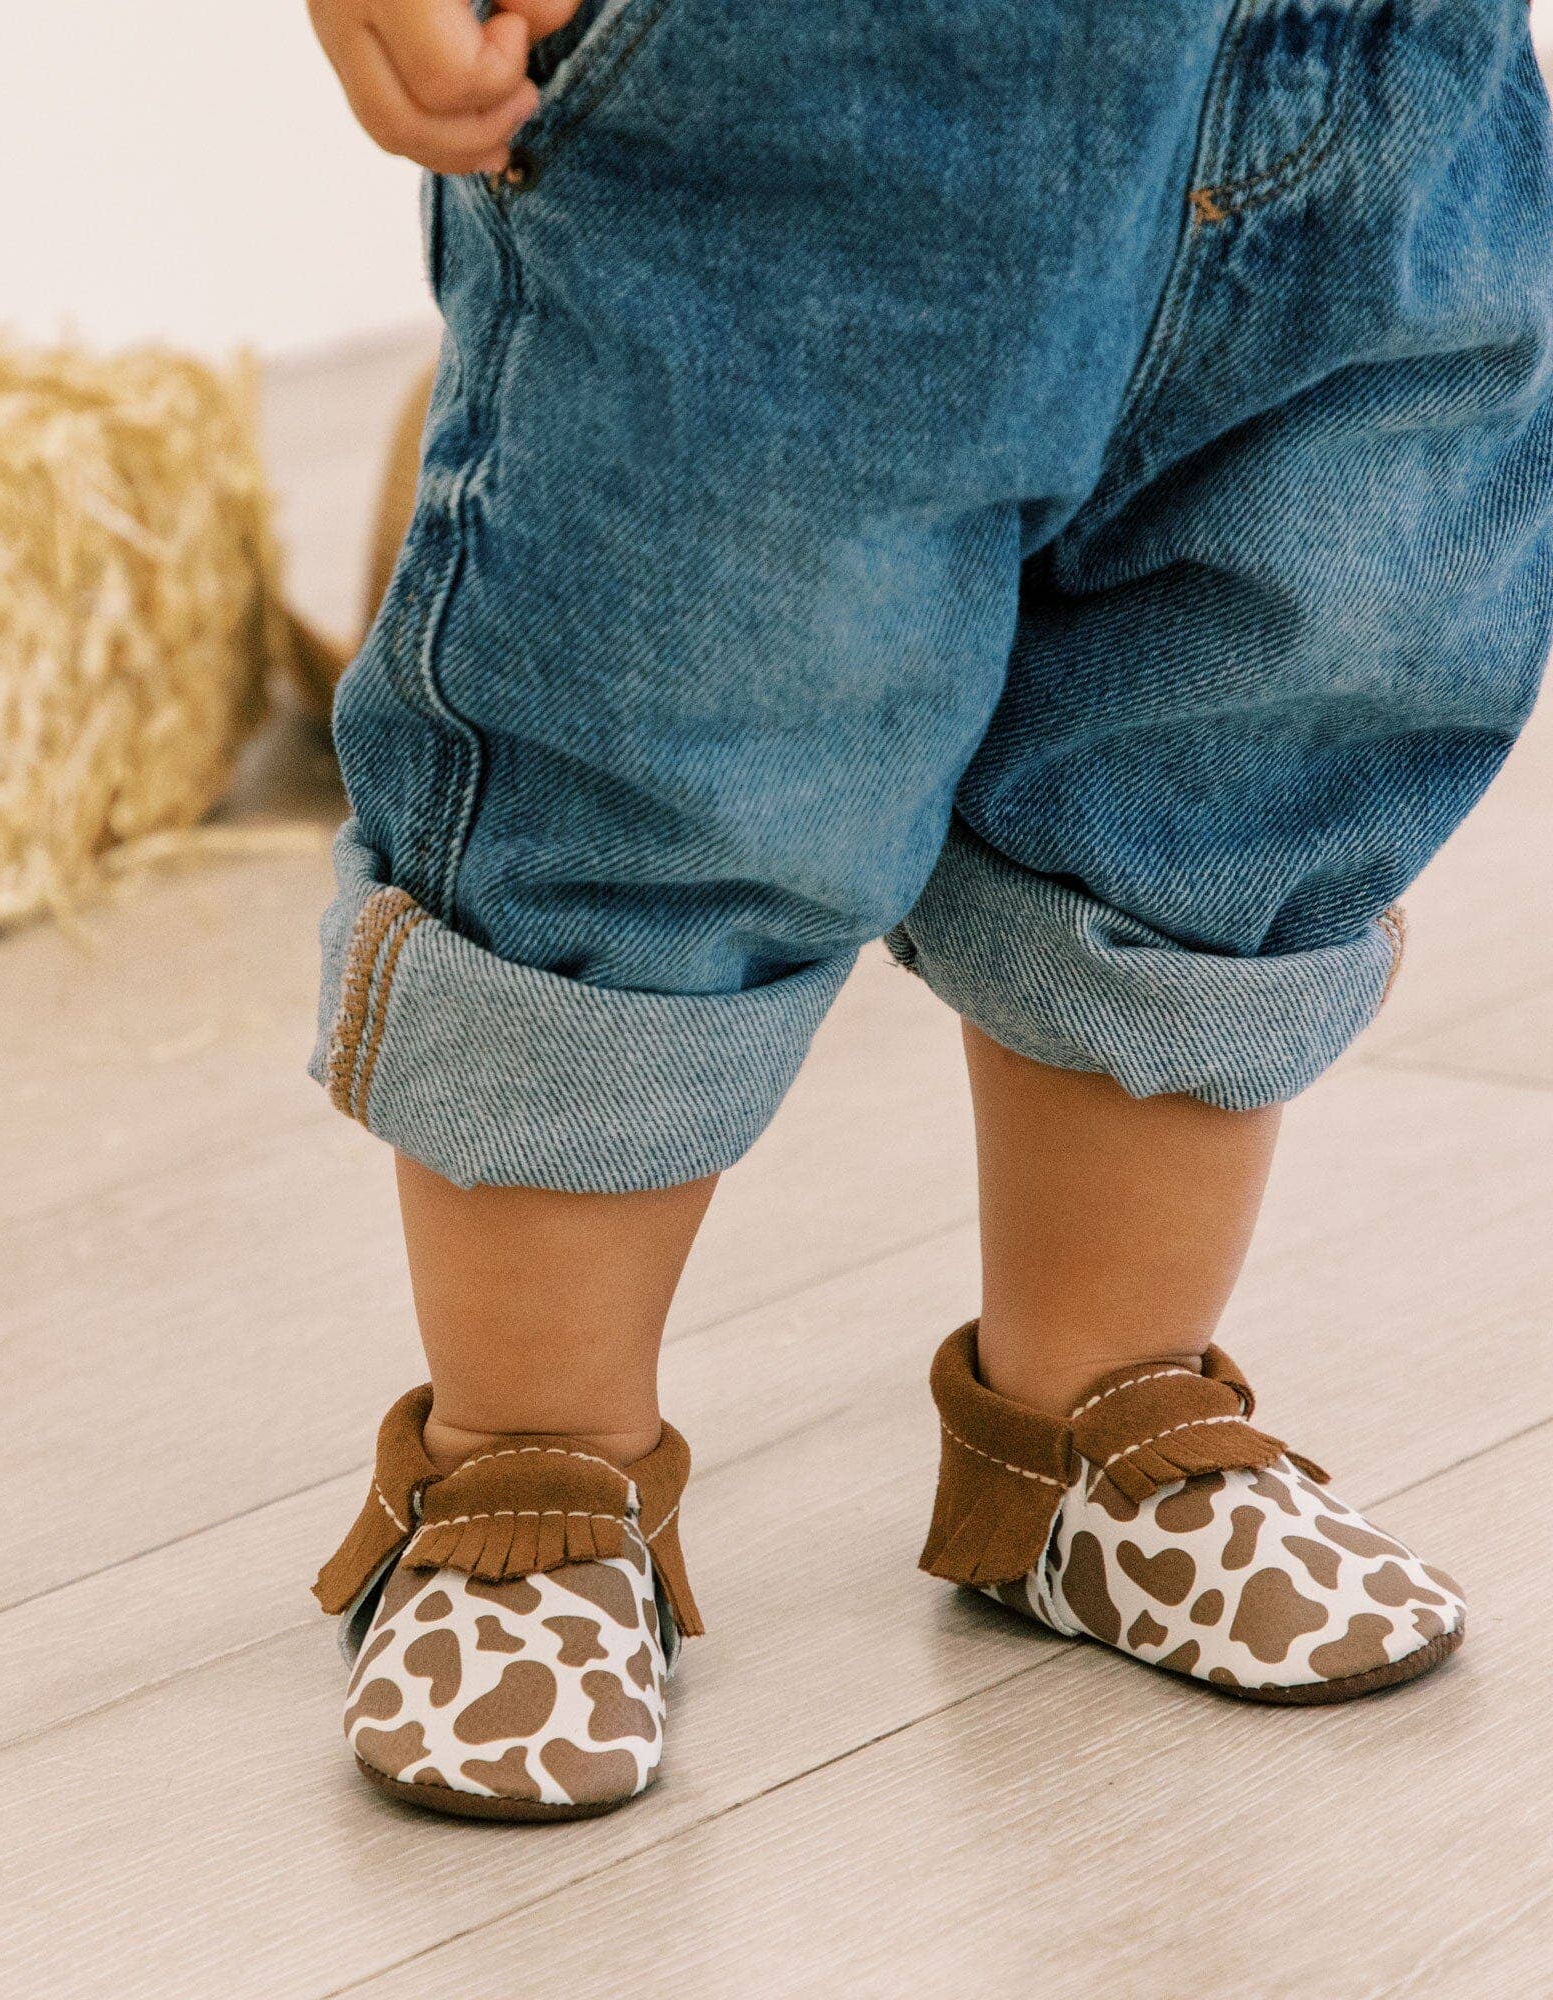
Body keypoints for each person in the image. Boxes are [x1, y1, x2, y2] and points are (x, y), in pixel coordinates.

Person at [301, 0, 1552, 1820]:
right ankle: (528, 1464)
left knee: (1278, 679)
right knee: (675, 695)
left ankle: (1095, 1418)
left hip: (1374, 71)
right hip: (807, 74)